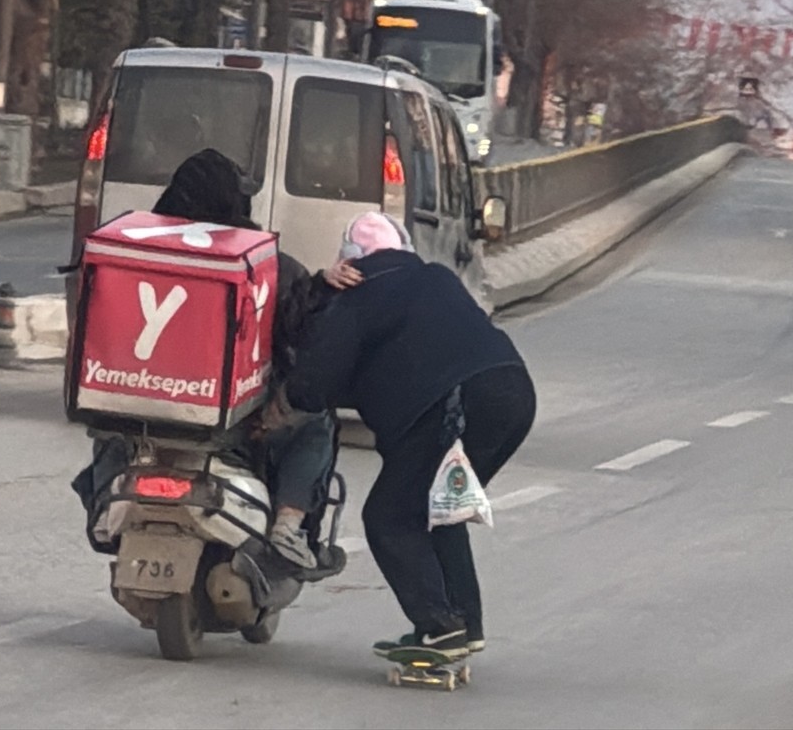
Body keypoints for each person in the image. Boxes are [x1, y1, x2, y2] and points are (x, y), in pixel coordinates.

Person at [280, 211, 537, 659]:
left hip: (452, 406)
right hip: (513, 394)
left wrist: (287, 402)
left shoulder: (357, 298)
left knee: (390, 517)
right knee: (440, 507)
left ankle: (440, 626)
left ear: (350, 261)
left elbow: (311, 386)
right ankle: (464, 623)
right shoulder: (437, 276)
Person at [77, 148, 341, 569]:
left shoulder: (139, 252)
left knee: (111, 424)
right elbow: (302, 335)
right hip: (234, 425)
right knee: (316, 424)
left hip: (143, 413)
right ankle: (289, 527)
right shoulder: (267, 263)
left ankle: (104, 504)